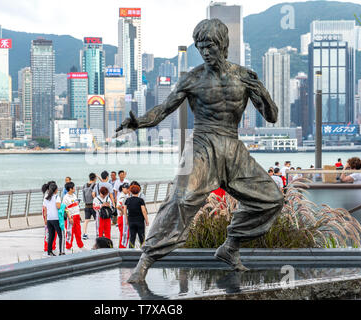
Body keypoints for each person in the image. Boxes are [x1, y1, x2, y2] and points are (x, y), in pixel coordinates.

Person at [115, 18, 284, 282]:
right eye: (201, 47)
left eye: (210, 46)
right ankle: (145, 262)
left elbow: (272, 116)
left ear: (223, 45)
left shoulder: (245, 77)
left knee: (272, 199)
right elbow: (164, 109)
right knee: (180, 199)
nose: (205, 52)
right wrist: (139, 122)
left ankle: (230, 247)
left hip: (233, 147)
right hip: (202, 145)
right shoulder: (192, 79)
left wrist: (260, 89)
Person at [124, 184, 149, 249]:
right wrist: (146, 220)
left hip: (131, 221)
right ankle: (143, 250)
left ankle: (130, 251)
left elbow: (124, 211)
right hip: (140, 221)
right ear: (138, 191)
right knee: (142, 237)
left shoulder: (127, 200)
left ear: (131, 191)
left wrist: (126, 220)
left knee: (132, 237)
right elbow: (144, 211)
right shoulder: (140, 200)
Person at [42, 182, 64, 256]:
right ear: (56, 190)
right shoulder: (57, 197)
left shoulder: (46, 197)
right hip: (56, 219)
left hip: (49, 219)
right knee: (61, 236)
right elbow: (58, 206)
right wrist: (62, 205)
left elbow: (45, 209)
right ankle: (61, 251)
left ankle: (49, 251)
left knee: (51, 235)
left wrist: (45, 219)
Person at [63, 182, 85, 251]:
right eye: (73, 188)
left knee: (78, 232)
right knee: (70, 232)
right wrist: (69, 218)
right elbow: (65, 209)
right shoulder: (65, 198)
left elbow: (76, 205)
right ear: (70, 189)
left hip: (77, 216)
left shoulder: (74, 195)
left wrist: (79, 215)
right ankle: (68, 247)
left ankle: (81, 246)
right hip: (71, 217)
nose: (74, 189)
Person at [82, 173, 97, 240]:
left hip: (86, 205)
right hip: (93, 205)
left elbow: (83, 196)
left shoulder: (84, 185)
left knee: (86, 220)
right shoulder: (95, 185)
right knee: (97, 220)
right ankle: (98, 233)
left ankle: (84, 234)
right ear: (95, 178)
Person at [116, 183, 130, 248]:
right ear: (122, 188)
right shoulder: (123, 196)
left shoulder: (123, 195)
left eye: (128, 188)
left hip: (120, 217)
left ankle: (120, 247)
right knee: (124, 234)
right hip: (122, 218)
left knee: (122, 234)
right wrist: (123, 212)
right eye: (126, 188)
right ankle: (122, 248)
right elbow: (118, 206)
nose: (127, 189)